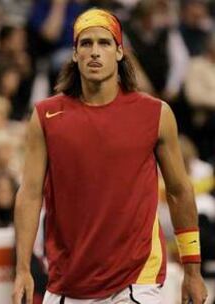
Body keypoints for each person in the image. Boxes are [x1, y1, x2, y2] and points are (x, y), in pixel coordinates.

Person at [12, 8, 207, 304]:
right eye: (85, 44)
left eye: (104, 43)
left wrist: (192, 270)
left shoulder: (155, 113)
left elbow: (180, 191)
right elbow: (29, 194)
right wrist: (22, 268)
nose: (94, 52)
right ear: (75, 54)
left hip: (137, 278)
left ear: (119, 52)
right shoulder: (46, 115)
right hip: (68, 280)